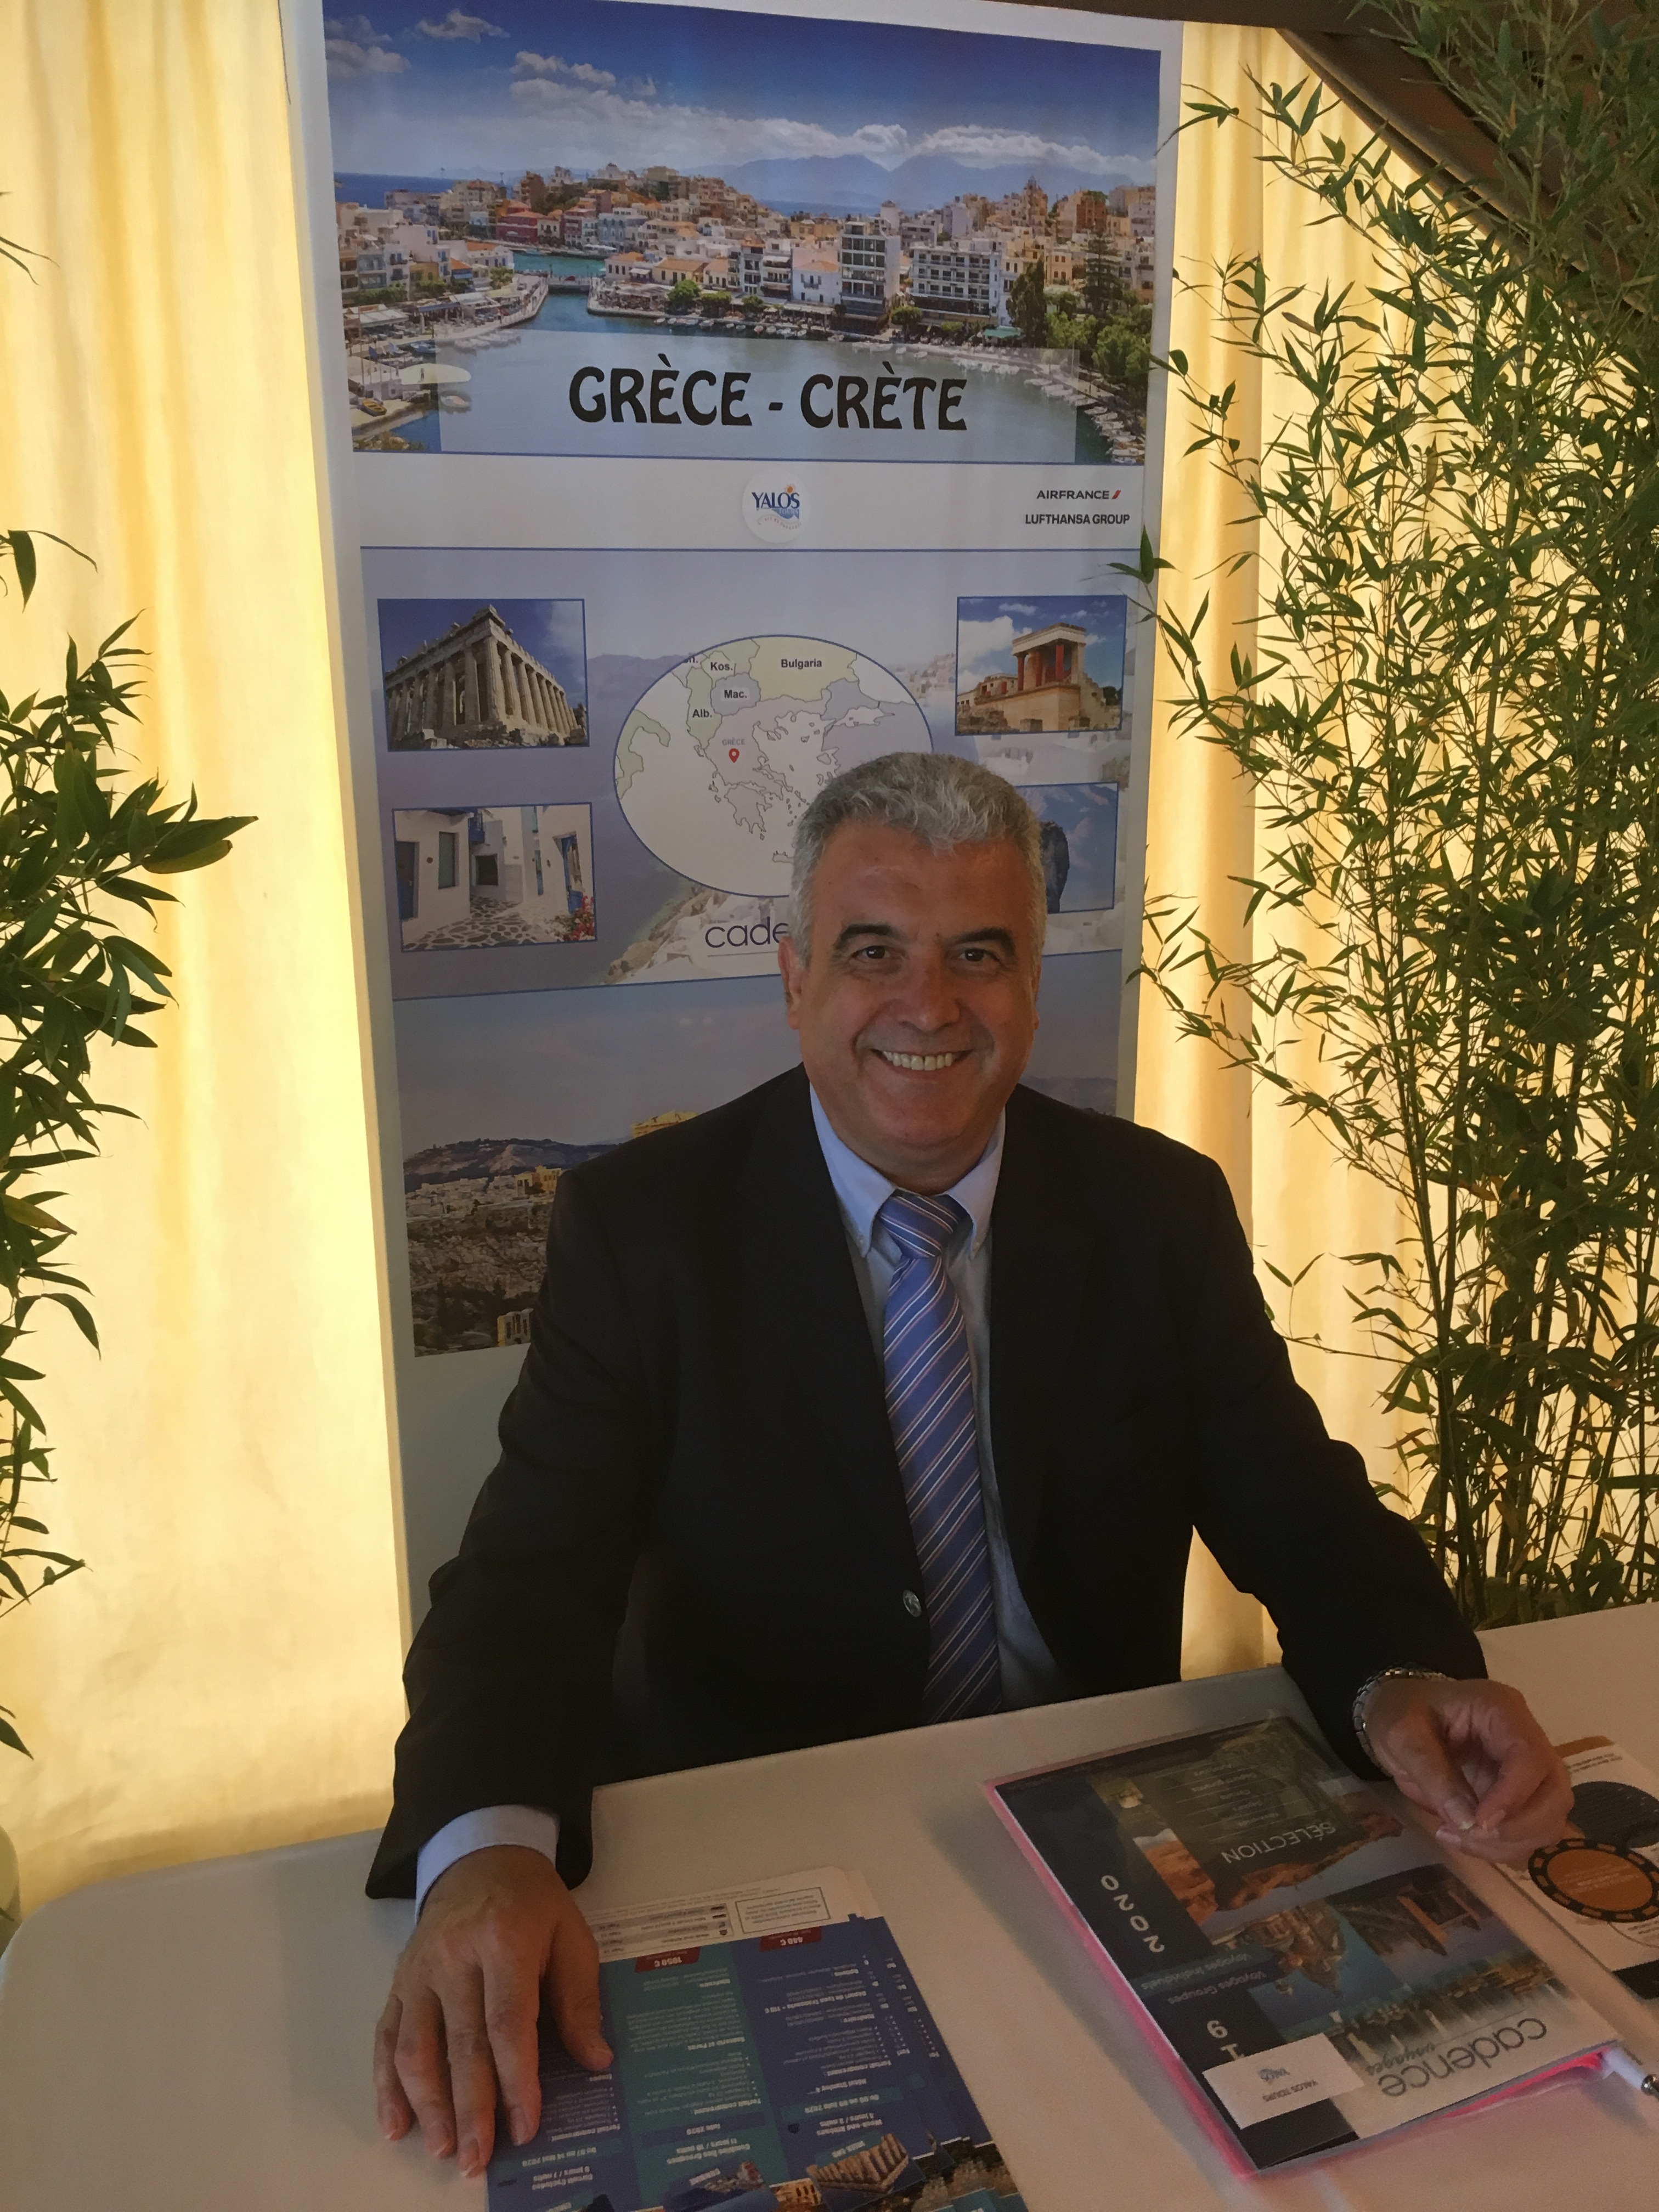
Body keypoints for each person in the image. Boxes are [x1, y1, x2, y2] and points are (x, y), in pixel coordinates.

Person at [369, 753, 1571, 2180]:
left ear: (1033, 985)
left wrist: (1400, 1674)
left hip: (1092, 1849)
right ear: (795, 977)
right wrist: (489, 1851)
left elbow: (1296, 1503)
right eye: (874, 951)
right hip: (770, 1851)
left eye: (978, 955)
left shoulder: (1158, 1211)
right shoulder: (645, 1232)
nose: (929, 1006)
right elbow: (525, 1579)